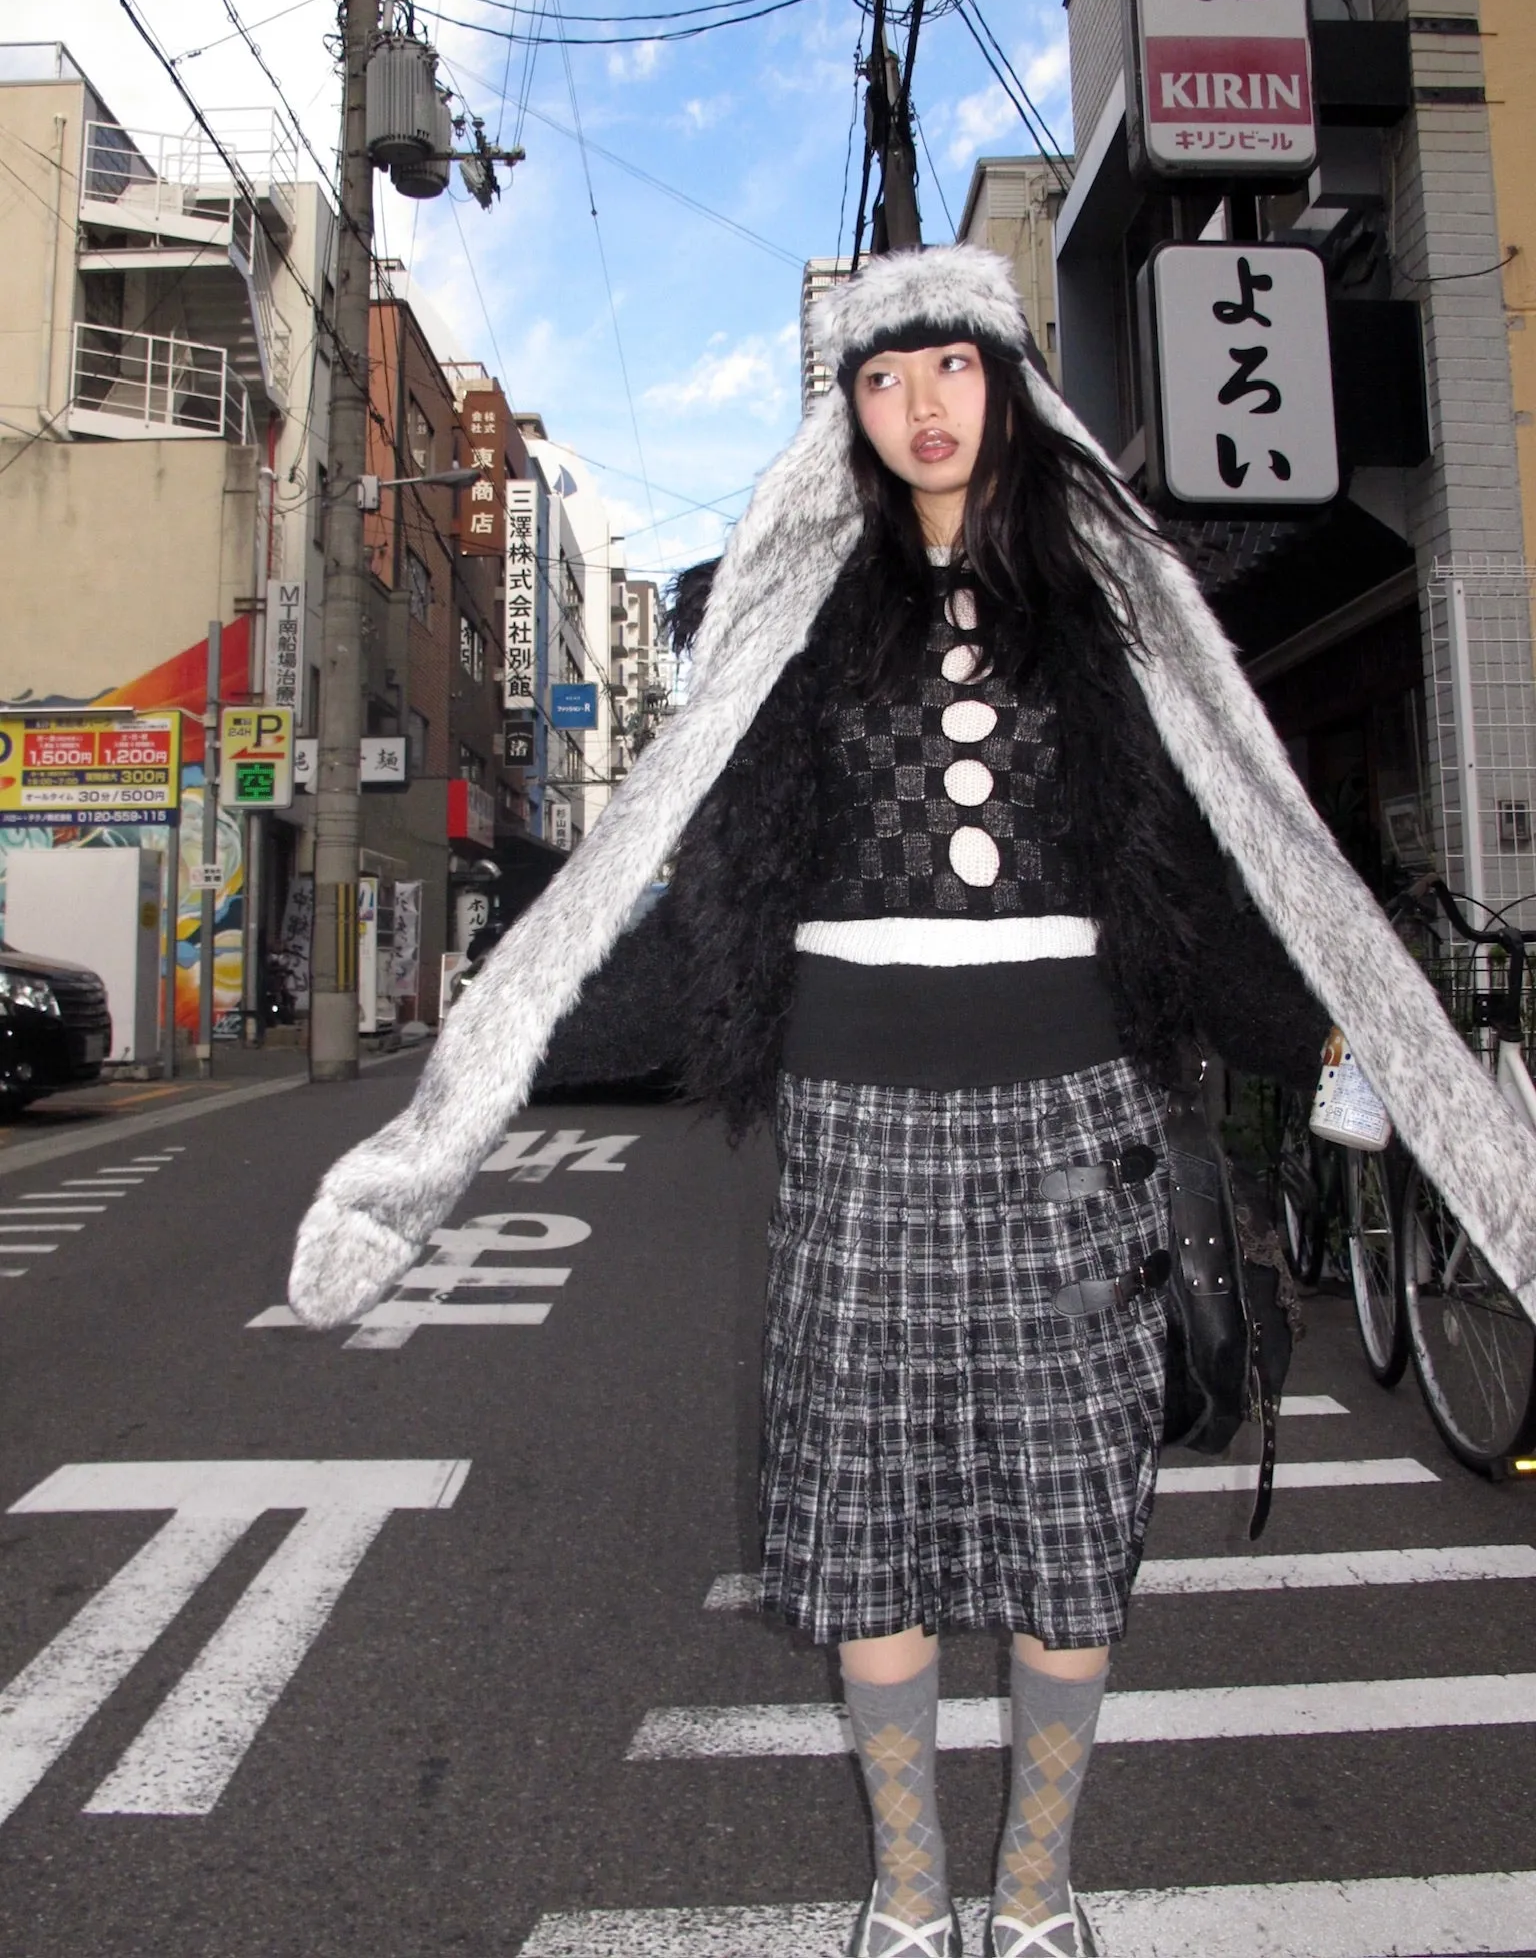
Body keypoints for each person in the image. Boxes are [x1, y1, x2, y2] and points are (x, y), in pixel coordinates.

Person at [287, 246, 1536, 1958]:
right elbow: (686, 868)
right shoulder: (793, 610)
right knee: (860, 1525)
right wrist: (479, 1099)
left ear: (1009, 377)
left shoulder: (1111, 604)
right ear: (848, 416)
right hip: (858, 1130)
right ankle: (907, 1894)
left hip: (1071, 1129)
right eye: (883, 379)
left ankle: (1032, 1899)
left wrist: (1343, 1032)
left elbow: (1217, 853)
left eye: (950, 364)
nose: (921, 405)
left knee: (1069, 1524)